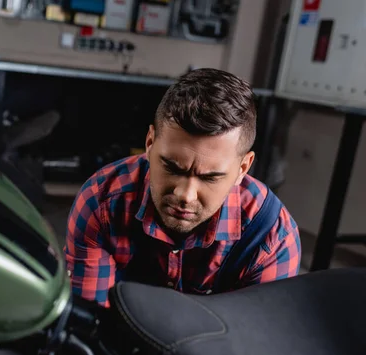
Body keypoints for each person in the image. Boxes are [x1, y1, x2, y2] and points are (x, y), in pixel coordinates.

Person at [64, 68, 301, 307]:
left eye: (210, 178)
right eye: (172, 168)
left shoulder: (271, 238)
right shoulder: (101, 203)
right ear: (149, 143)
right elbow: (90, 322)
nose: (185, 195)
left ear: (243, 168)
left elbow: (251, 339)